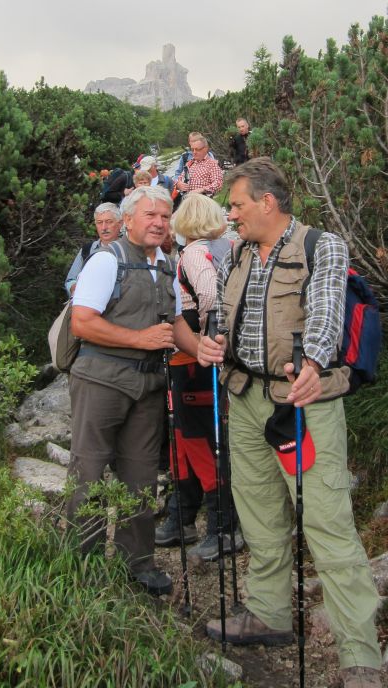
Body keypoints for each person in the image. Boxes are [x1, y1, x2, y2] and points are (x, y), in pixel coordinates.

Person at [197, 158, 382, 688]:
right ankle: (269, 614)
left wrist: (314, 363)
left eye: (236, 205)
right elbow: (227, 316)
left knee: (325, 520)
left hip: (303, 407)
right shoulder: (237, 252)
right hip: (245, 398)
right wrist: (215, 342)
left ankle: (360, 656)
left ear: (267, 202)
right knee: (258, 516)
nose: (230, 215)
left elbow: (325, 313)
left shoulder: (320, 246)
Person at [67, 186, 198, 597]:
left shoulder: (166, 264)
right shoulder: (108, 261)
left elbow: (176, 325)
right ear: (128, 220)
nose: (159, 222)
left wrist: (204, 351)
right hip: (101, 380)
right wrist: (140, 340)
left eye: (164, 216)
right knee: (88, 470)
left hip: (149, 385)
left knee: (141, 475)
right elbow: (83, 322)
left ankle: (136, 562)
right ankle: (79, 562)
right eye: (150, 215)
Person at [155, 194, 243, 559]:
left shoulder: (193, 252)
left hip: (193, 361)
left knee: (196, 439)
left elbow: (209, 297)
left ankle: (223, 524)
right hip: (208, 360)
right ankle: (183, 514)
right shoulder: (232, 245)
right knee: (188, 438)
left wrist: (207, 342)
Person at [64, 204, 122, 297]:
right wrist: (74, 288)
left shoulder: (129, 250)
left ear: (120, 224)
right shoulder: (87, 250)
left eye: (109, 222)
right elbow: (70, 280)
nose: (104, 227)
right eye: (99, 222)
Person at [174, 134, 223, 199]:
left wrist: (202, 189)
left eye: (197, 149)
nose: (194, 152)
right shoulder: (189, 163)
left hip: (203, 201)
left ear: (205, 149)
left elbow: (218, 183)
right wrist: (178, 184)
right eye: (192, 149)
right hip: (187, 201)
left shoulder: (212, 164)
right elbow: (179, 178)